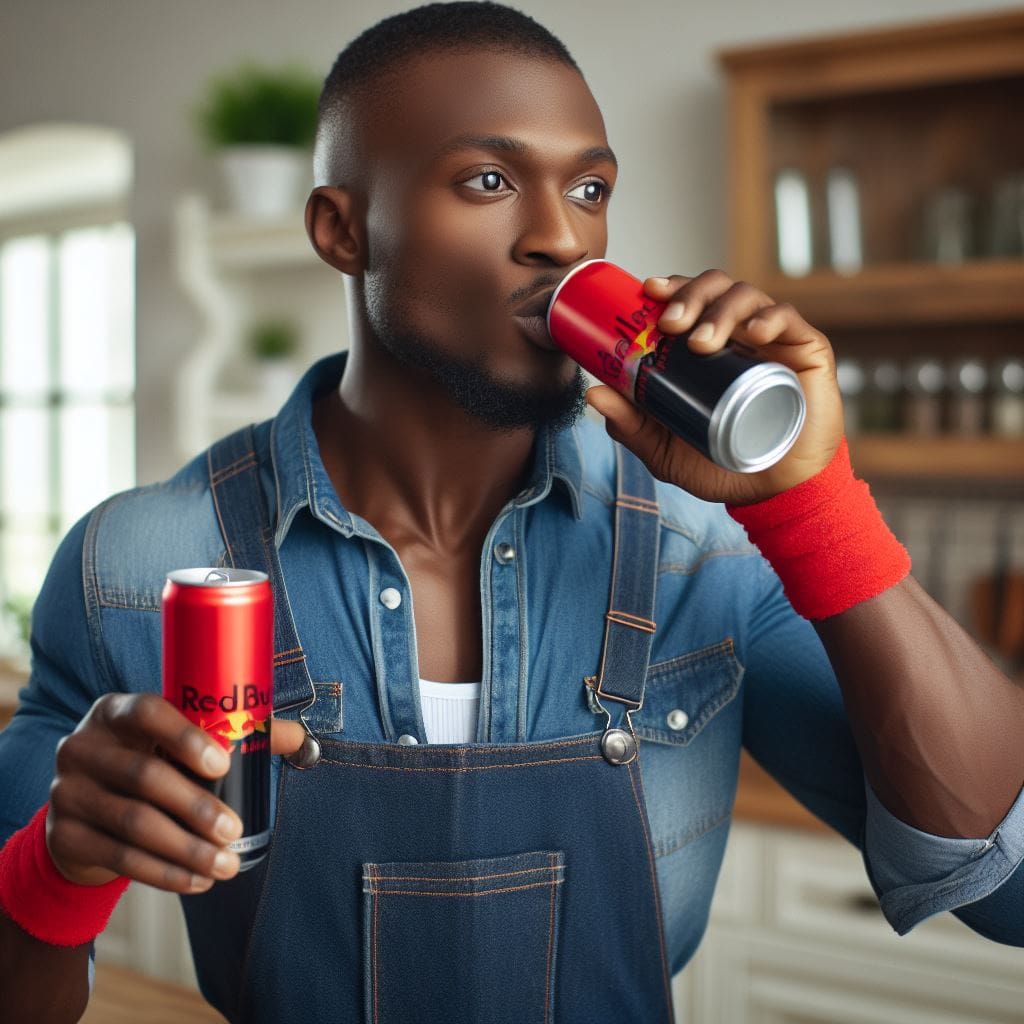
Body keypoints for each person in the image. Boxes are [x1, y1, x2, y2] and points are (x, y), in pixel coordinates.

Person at [1, 3, 1022, 1022]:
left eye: (589, 189)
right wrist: (56, 870)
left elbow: (1001, 882)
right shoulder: (133, 565)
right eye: (487, 181)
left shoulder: (698, 550)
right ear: (341, 229)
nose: (560, 237)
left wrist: (814, 508)